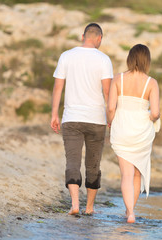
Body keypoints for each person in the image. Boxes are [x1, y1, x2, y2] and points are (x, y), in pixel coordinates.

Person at [50, 23, 113, 215]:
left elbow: (58, 87)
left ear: (82, 36)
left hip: (72, 118)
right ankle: (89, 207)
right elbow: (108, 92)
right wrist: (111, 117)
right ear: (99, 38)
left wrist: (54, 114)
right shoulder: (104, 59)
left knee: (73, 162)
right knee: (93, 164)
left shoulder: (66, 56)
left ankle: (75, 205)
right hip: (96, 119)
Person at [106, 44, 160, 223]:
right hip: (141, 131)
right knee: (137, 174)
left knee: (126, 175)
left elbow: (111, 107)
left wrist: (110, 122)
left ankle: (129, 213)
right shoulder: (151, 82)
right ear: (147, 60)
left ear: (130, 58)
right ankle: (131, 211)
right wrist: (150, 117)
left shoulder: (118, 78)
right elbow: (156, 113)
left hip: (122, 128)